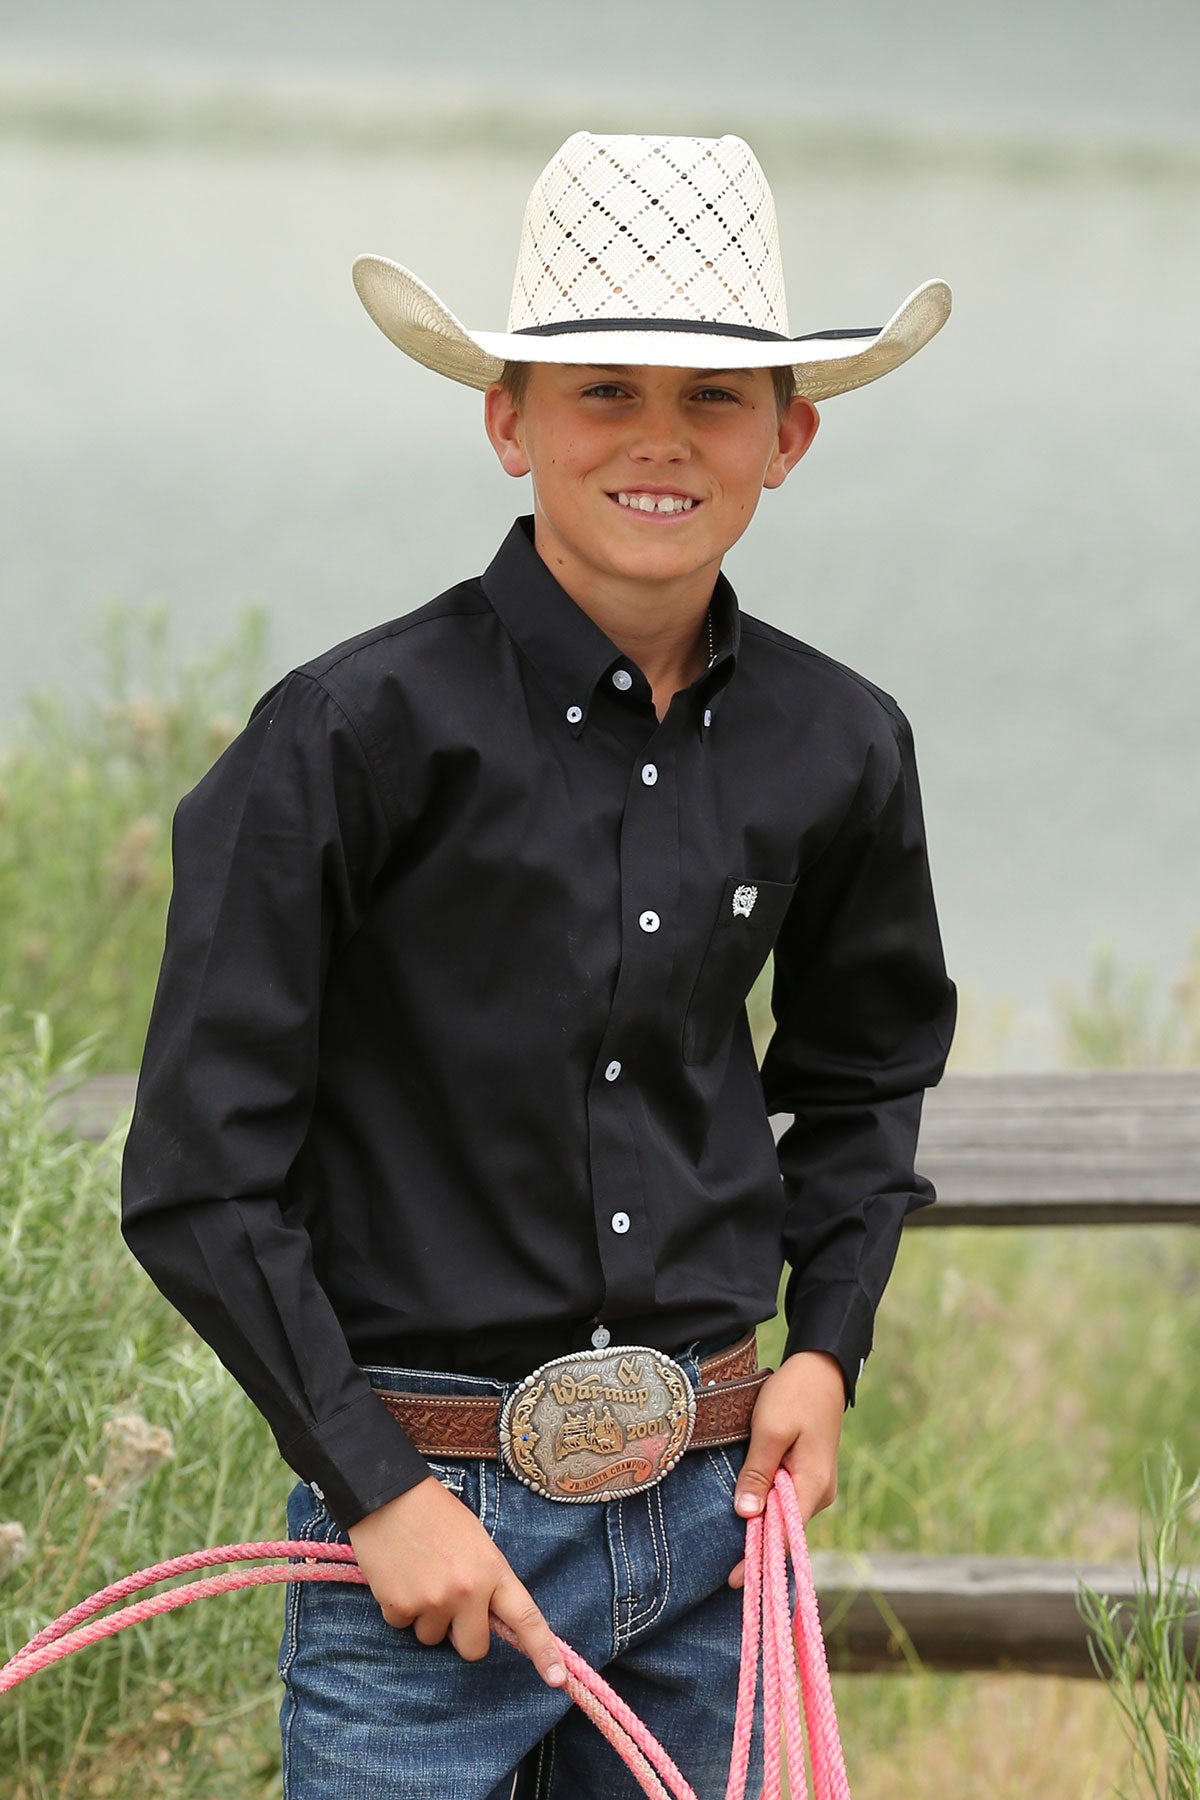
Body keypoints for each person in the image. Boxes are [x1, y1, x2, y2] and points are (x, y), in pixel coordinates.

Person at [121, 131, 957, 1800]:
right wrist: (376, 1488)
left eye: (715, 398)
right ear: (508, 421)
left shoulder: (841, 743)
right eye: (604, 391)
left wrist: (825, 1345)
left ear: (788, 437)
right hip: (426, 1532)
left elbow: (865, 1076)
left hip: (713, 1508)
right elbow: (201, 1174)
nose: (661, 437)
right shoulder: (347, 738)